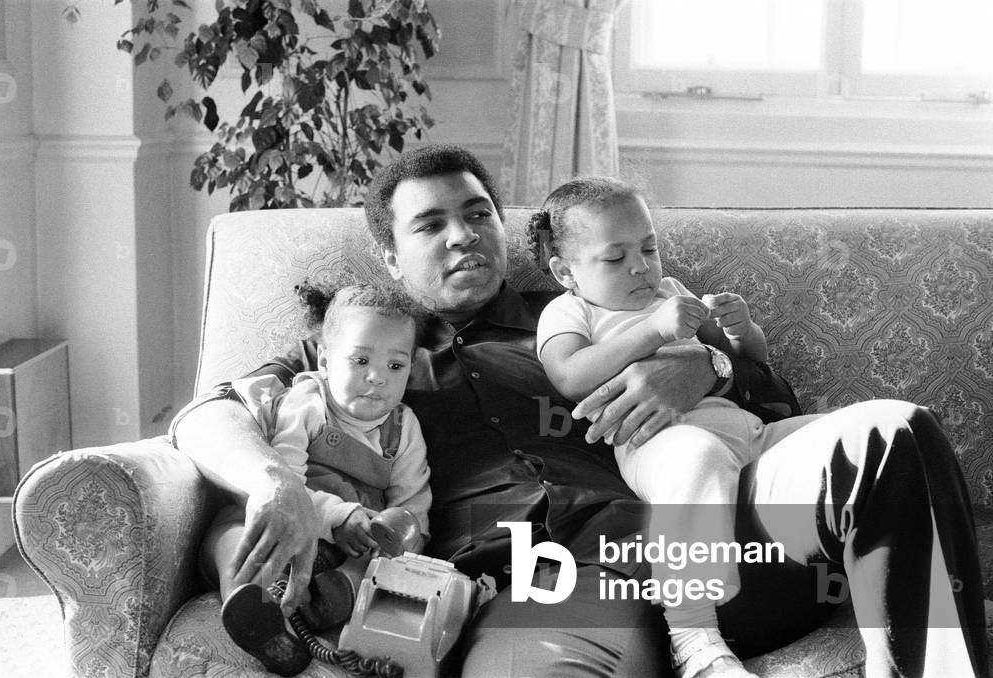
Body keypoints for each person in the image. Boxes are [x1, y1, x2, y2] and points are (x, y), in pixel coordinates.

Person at [171, 144, 988, 678]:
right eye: (431, 224)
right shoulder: (358, 355)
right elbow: (207, 416)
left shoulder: (589, 310)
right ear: (389, 254)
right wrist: (272, 480)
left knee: (890, 432)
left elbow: (771, 402)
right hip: (550, 584)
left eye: (477, 214)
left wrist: (702, 369)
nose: (462, 236)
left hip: (716, 542)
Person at [531, 176, 779, 678]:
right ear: (565, 272)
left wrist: (742, 330)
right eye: (614, 257)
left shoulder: (670, 291)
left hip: (744, 428)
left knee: (854, 432)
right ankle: (694, 636)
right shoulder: (570, 310)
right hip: (657, 443)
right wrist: (654, 329)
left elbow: (749, 364)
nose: (640, 267)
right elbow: (569, 375)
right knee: (697, 458)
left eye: (648, 248)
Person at [201, 282, 431, 676]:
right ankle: (252, 605)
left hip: (353, 542)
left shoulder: (404, 427)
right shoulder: (307, 403)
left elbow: (413, 502)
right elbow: (285, 481)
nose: (377, 377)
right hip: (288, 523)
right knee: (233, 530)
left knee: (374, 566)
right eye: (360, 360)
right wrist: (336, 516)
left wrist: (397, 540)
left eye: (395, 366)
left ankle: (335, 596)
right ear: (324, 361)